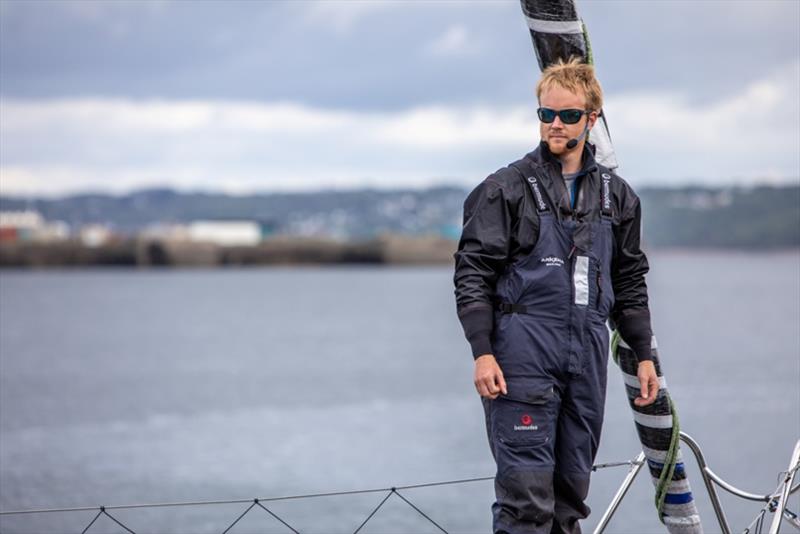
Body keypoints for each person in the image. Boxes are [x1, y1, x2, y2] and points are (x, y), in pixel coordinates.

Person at [452, 57, 660, 534]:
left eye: (568, 116)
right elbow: (472, 274)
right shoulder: (503, 190)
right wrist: (482, 353)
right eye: (547, 115)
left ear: (592, 118)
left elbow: (629, 280)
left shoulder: (619, 197)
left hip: (585, 360)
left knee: (569, 505)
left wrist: (643, 354)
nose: (556, 126)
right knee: (526, 506)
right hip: (520, 359)